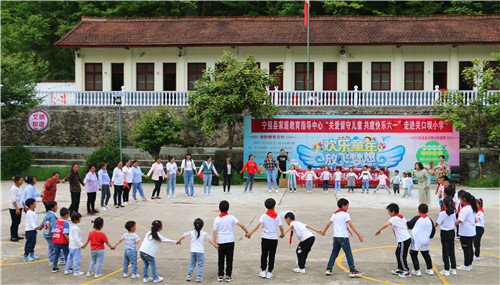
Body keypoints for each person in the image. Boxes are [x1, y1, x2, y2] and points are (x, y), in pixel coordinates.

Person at [320, 198, 364, 278]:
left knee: (334, 253)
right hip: (343, 237)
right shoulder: (345, 214)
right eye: (347, 206)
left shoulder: (335, 214)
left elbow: (328, 224)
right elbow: (351, 225)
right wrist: (358, 234)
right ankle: (353, 270)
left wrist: (323, 232)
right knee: (348, 253)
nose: (348, 207)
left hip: (336, 237)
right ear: (343, 206)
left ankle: (329, 269)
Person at [246, 198, 285, 279]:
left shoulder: (264, 216)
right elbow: (281, 226)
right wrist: (282, 234)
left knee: (264, 255)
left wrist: (250, 233)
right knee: (272, 255)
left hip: (265, 238)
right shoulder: (277, 216)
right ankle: (270, 272)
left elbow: (257, 226)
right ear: (274, 206)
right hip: (274, 239)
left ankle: (263, 271)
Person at [213, 200, 249, 282]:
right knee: (229, 258)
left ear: (219, 209)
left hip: (221, 241)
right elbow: (241, 225)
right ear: (228, 208)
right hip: (230, 241)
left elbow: (215, 232)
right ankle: (228, 275)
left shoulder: (217, 219)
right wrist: (247, 232)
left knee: (221, 259)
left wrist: (214, 243)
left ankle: (220, 275)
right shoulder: (231, 217)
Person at [375, 203, 412, 278]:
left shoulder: (394, 218)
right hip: (404, 239)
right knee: (398, 253)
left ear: (393, 211)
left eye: (389, 211)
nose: (388, 213)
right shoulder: (401, 216)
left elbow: (386, 224)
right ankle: (400, 269)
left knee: (401, 255)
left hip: (403, 240)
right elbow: (406, 225)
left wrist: (379, 230)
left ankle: (406, 271)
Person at [407, 204, 436, 277]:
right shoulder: (430, 220)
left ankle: (417, 270)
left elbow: (409, 225)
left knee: (413, 254)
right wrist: (429, 237)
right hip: (426, 239)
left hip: (417, 239)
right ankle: (430, 269)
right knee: (426, 254)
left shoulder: (416, 218)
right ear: (428, 211)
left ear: (418, 211)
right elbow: (433, 231)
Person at [434, 196, 457, 276]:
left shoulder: (443, 213)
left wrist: (431, 228)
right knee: (451, 251)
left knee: (445, 251)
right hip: (451, 232)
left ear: (444, 204)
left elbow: (437, 223)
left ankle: (446, 269)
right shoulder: (453, 212)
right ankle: (453, 268)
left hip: (445, 233)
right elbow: (455, 222)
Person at [455, 191, 478, 270]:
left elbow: (460, 220)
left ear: (464, 199)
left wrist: (451, 224)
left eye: (460, 199)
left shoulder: (465, 209)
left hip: (465, 232)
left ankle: (466, 264)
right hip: (471, 231)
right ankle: (469, 264)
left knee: (466, 249)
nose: (459, 201)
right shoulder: (471, 207)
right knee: (470, 248)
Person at [40, 201, 65, 266]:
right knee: (57, 247)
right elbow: (54, 225)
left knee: (51, 247)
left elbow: (43, 222)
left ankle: (51, 260)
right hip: (51, 235)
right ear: (52, 208)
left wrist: (40, 227)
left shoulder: (47, 215)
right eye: (56, 206)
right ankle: (62, 259)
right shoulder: (52, 216)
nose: (57, 207)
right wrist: (57, 233)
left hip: (46, 234)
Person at [65, 212, 84, 276]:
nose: (80, 219)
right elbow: (76, 238)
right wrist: (81, 245)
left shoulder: (72, 226)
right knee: (77, 259)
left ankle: (67, 270)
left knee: (69, 258)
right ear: (76, 220)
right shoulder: (75, 228)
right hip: (75, 246)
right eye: (79, 218)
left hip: (71, 245)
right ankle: (76, 271)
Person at [51, 207, 70, 273]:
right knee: (66, 254)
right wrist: (68, 241)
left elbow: (53, 231)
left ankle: (54, 267)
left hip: (56, 240)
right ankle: (68, 267)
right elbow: (65, 234)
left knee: (56, 254)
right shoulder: (66, 223)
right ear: (66, 215)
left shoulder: (57, 222)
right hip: (63, 241)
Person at [9, 176, 26, 242]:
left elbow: (21, 199)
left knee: (18, 222)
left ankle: (16, 235)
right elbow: (13, 199)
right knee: (14, 222)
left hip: (19, 207)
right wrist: (16, 208)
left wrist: (24, 206)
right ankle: (13, 236)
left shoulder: (19, 188)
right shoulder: (14, 188)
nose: (22, 182)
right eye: (20, 180)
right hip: (14, 208)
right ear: (16, 181)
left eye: (22, 180)